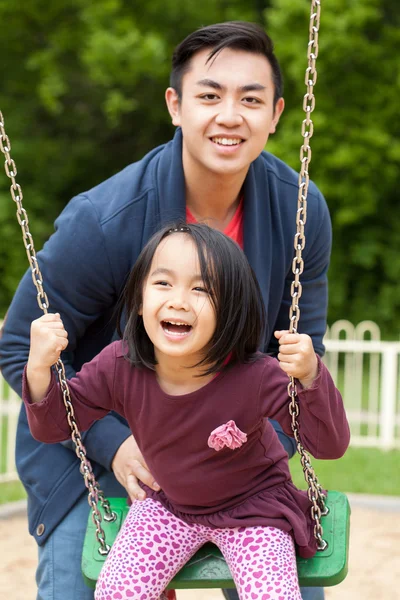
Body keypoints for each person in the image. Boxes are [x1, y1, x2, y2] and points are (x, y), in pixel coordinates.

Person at [0, 21, 332, 600]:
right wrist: (115, 445)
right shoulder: (103, 222)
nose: (229, 116)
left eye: (250, 99)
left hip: (236, 454)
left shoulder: (299, 208)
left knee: (289, 582)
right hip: (99, 451)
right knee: (85, 584)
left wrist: (254, 452)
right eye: (209, 95)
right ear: (175, 105)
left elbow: (302, 348)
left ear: (276, 114)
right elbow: (15, 346)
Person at [23, 223, 350, 600]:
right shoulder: (120, 365)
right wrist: (38, 370)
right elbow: (54, 426)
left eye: (201, 289)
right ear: (140, 299)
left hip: (255, 511)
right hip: (167, 506)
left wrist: (310, 378)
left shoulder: (255, 375)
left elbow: (329, 444)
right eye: (163, 283)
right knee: (117, 592)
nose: (179, 300)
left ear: (230, 309)